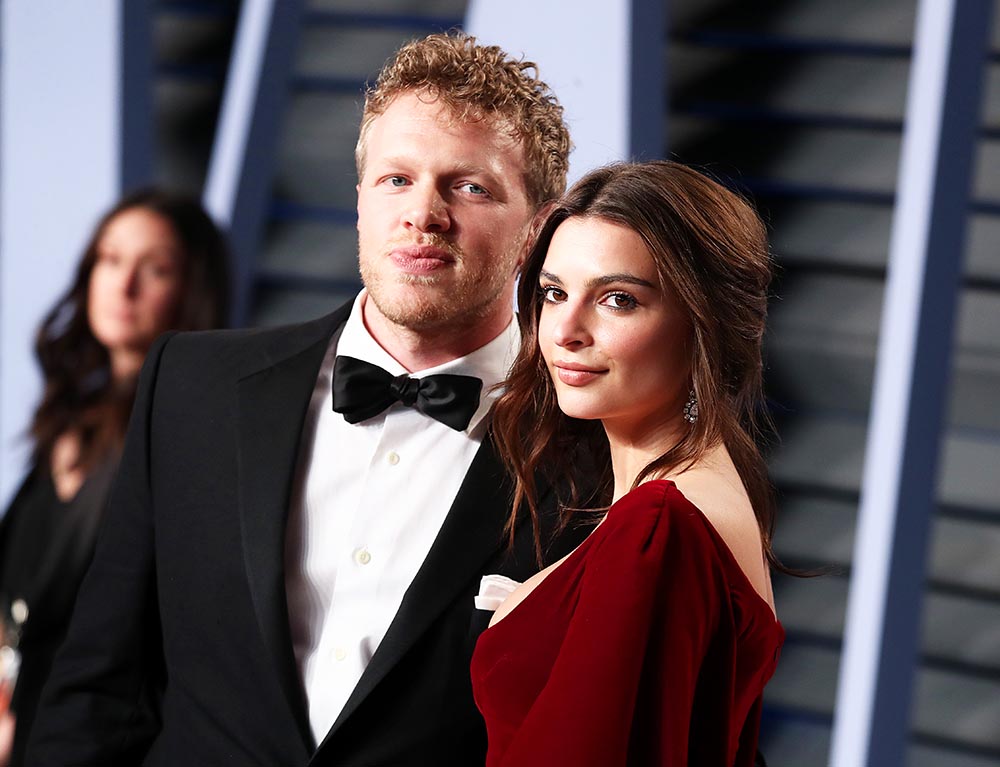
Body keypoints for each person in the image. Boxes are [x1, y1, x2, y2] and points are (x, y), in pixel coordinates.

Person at [26, 33, 584, 766]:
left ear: (538, 230)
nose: (423, 214)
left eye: (468, 186)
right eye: (395, 180)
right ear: (358, 199)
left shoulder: (597, 457)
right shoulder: (192, 387)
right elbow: (96, 691)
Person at [472, 161, 785, 765]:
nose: (564, 330)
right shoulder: (688, 495)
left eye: (618, 300)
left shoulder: (660, 525)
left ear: (704, 322)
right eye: (554, 293)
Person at [0, 187, 230, 767]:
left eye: (154, 269)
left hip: (109, 741)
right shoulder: (64, 425)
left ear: (192, 290)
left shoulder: (197, 435)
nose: (123, 286)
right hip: (27, 723)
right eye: (109, 259)